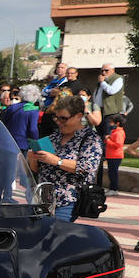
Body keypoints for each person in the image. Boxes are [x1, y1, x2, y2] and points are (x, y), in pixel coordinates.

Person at [27, 93, 103, 222]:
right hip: (42, 200)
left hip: (67, 201)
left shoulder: (90, 139)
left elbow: (88, 168)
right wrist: (33, 159)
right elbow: (37, 170)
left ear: (78, 116)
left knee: (55, 236)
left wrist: (57, 161)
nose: (59, 122)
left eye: (63, 118)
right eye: (56, 118)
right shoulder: (54, 137)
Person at [91, 63, 126, 127]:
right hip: (99, 110)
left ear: (113, 70)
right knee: (99, 132)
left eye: (106, 70)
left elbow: (111, 91)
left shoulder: (118, 79)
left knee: (108, 134)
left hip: (111, 112)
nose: (103, 72)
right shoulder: (102, 80)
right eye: (102, 71)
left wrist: (102, 82)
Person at [104, 114, 126, 193]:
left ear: (117, 123)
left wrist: (108, 140)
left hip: (115, 156)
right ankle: (112, 188)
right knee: (111, 173)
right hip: (112, 155)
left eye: (112, 122)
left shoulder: (118, 133)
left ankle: (114, 189)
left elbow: (118, 145)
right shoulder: (115, 132)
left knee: (113, 173)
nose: (110, 124)